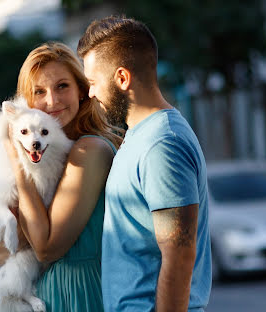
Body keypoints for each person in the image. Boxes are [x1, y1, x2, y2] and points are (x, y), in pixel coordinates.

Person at [77, 16, 212, 312]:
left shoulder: (162, 144)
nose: (90, 93)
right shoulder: (141, 136)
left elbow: (179, 256)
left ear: (122, 78)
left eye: (92, 82)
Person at [0, 42, 123, 312]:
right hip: (49, 296)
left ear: (81, 90)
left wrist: (15, 157)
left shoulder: (88, 149)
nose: (51, 102)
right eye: (39, 92)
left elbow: (44, 249)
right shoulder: (47, 160)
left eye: (62, 86)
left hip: (82, 296)